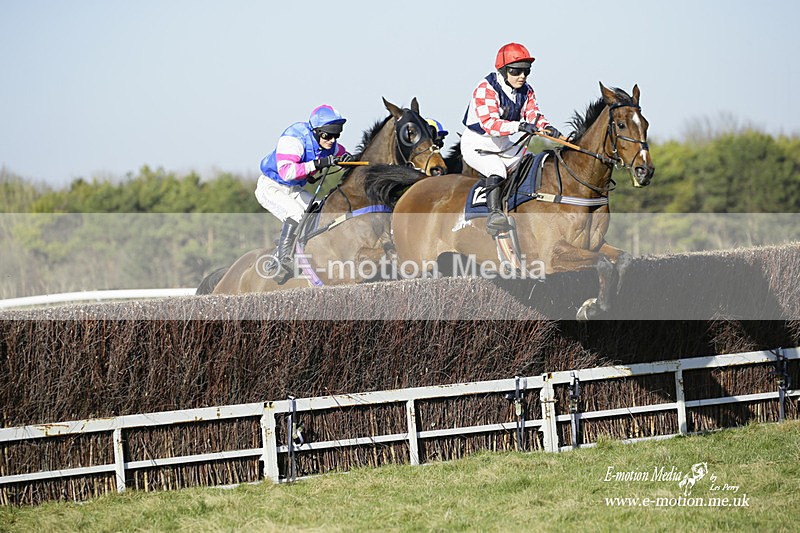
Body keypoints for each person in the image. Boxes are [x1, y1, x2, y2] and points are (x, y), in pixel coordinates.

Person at [461, 42, 564, 236]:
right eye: (516, 71)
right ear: (503, 70)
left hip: (503, 144)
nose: (522, 76)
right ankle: (494, 215)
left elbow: (533, 114)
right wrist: (519, 125)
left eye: (527, 71)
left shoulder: (527, 90)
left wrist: (547, 127)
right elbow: (490, 124)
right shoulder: (486, 88)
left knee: (532, 162)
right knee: (496, 169)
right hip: (477, 143)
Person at [255, 104, 353, 280]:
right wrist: (317, 164)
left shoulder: (328, 142)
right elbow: (287, 172)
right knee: (298, 213)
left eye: (336, 135)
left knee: (321, 209)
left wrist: (347, 159)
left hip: (293, 189)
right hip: (270, 187)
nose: (332, 140)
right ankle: (280, 260)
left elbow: (341, 154)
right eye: (328, 135)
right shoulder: (293, 139)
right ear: (316, 131)